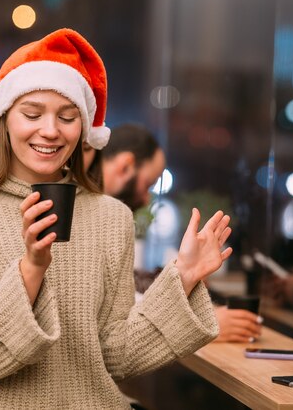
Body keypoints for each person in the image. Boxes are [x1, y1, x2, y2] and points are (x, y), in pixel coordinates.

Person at [0, 27, 233, 409]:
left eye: (68, 118)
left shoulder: (112, 217)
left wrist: (184, 277)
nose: (50, 131)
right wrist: (32, 268)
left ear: (84, 129)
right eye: (32, 114)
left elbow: (115, 355)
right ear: (4, 119)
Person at [84, 125, 263, 344]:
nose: (147, 199)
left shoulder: (104, 216)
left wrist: (187, 274)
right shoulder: (85, 217)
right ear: (125, 166)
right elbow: (110, 320)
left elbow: (122, 294)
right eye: (148, 184)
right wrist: (198, 324)